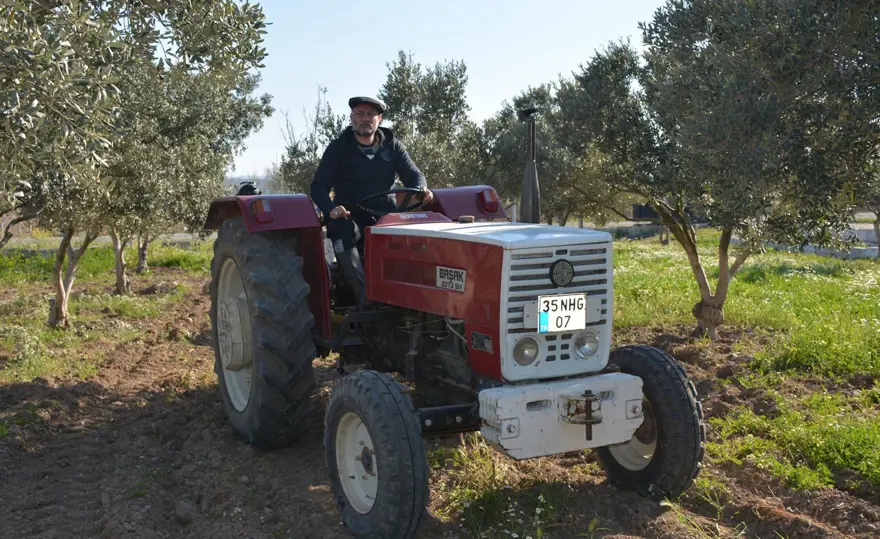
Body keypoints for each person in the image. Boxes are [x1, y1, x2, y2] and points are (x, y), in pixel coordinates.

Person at [310, 96, 433, 307]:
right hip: (351, 216)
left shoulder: (393, 147)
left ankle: (416, 300)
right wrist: (331, 210)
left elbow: (414, 176)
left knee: (418, 231)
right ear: (352, 118)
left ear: (379, 119)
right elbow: (318, 187)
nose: (365, 119)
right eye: (360, 114)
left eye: (370, 115)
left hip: (385, 217)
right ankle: (364, 301)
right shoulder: (339, 148)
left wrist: (422, 188)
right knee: (342, 229)